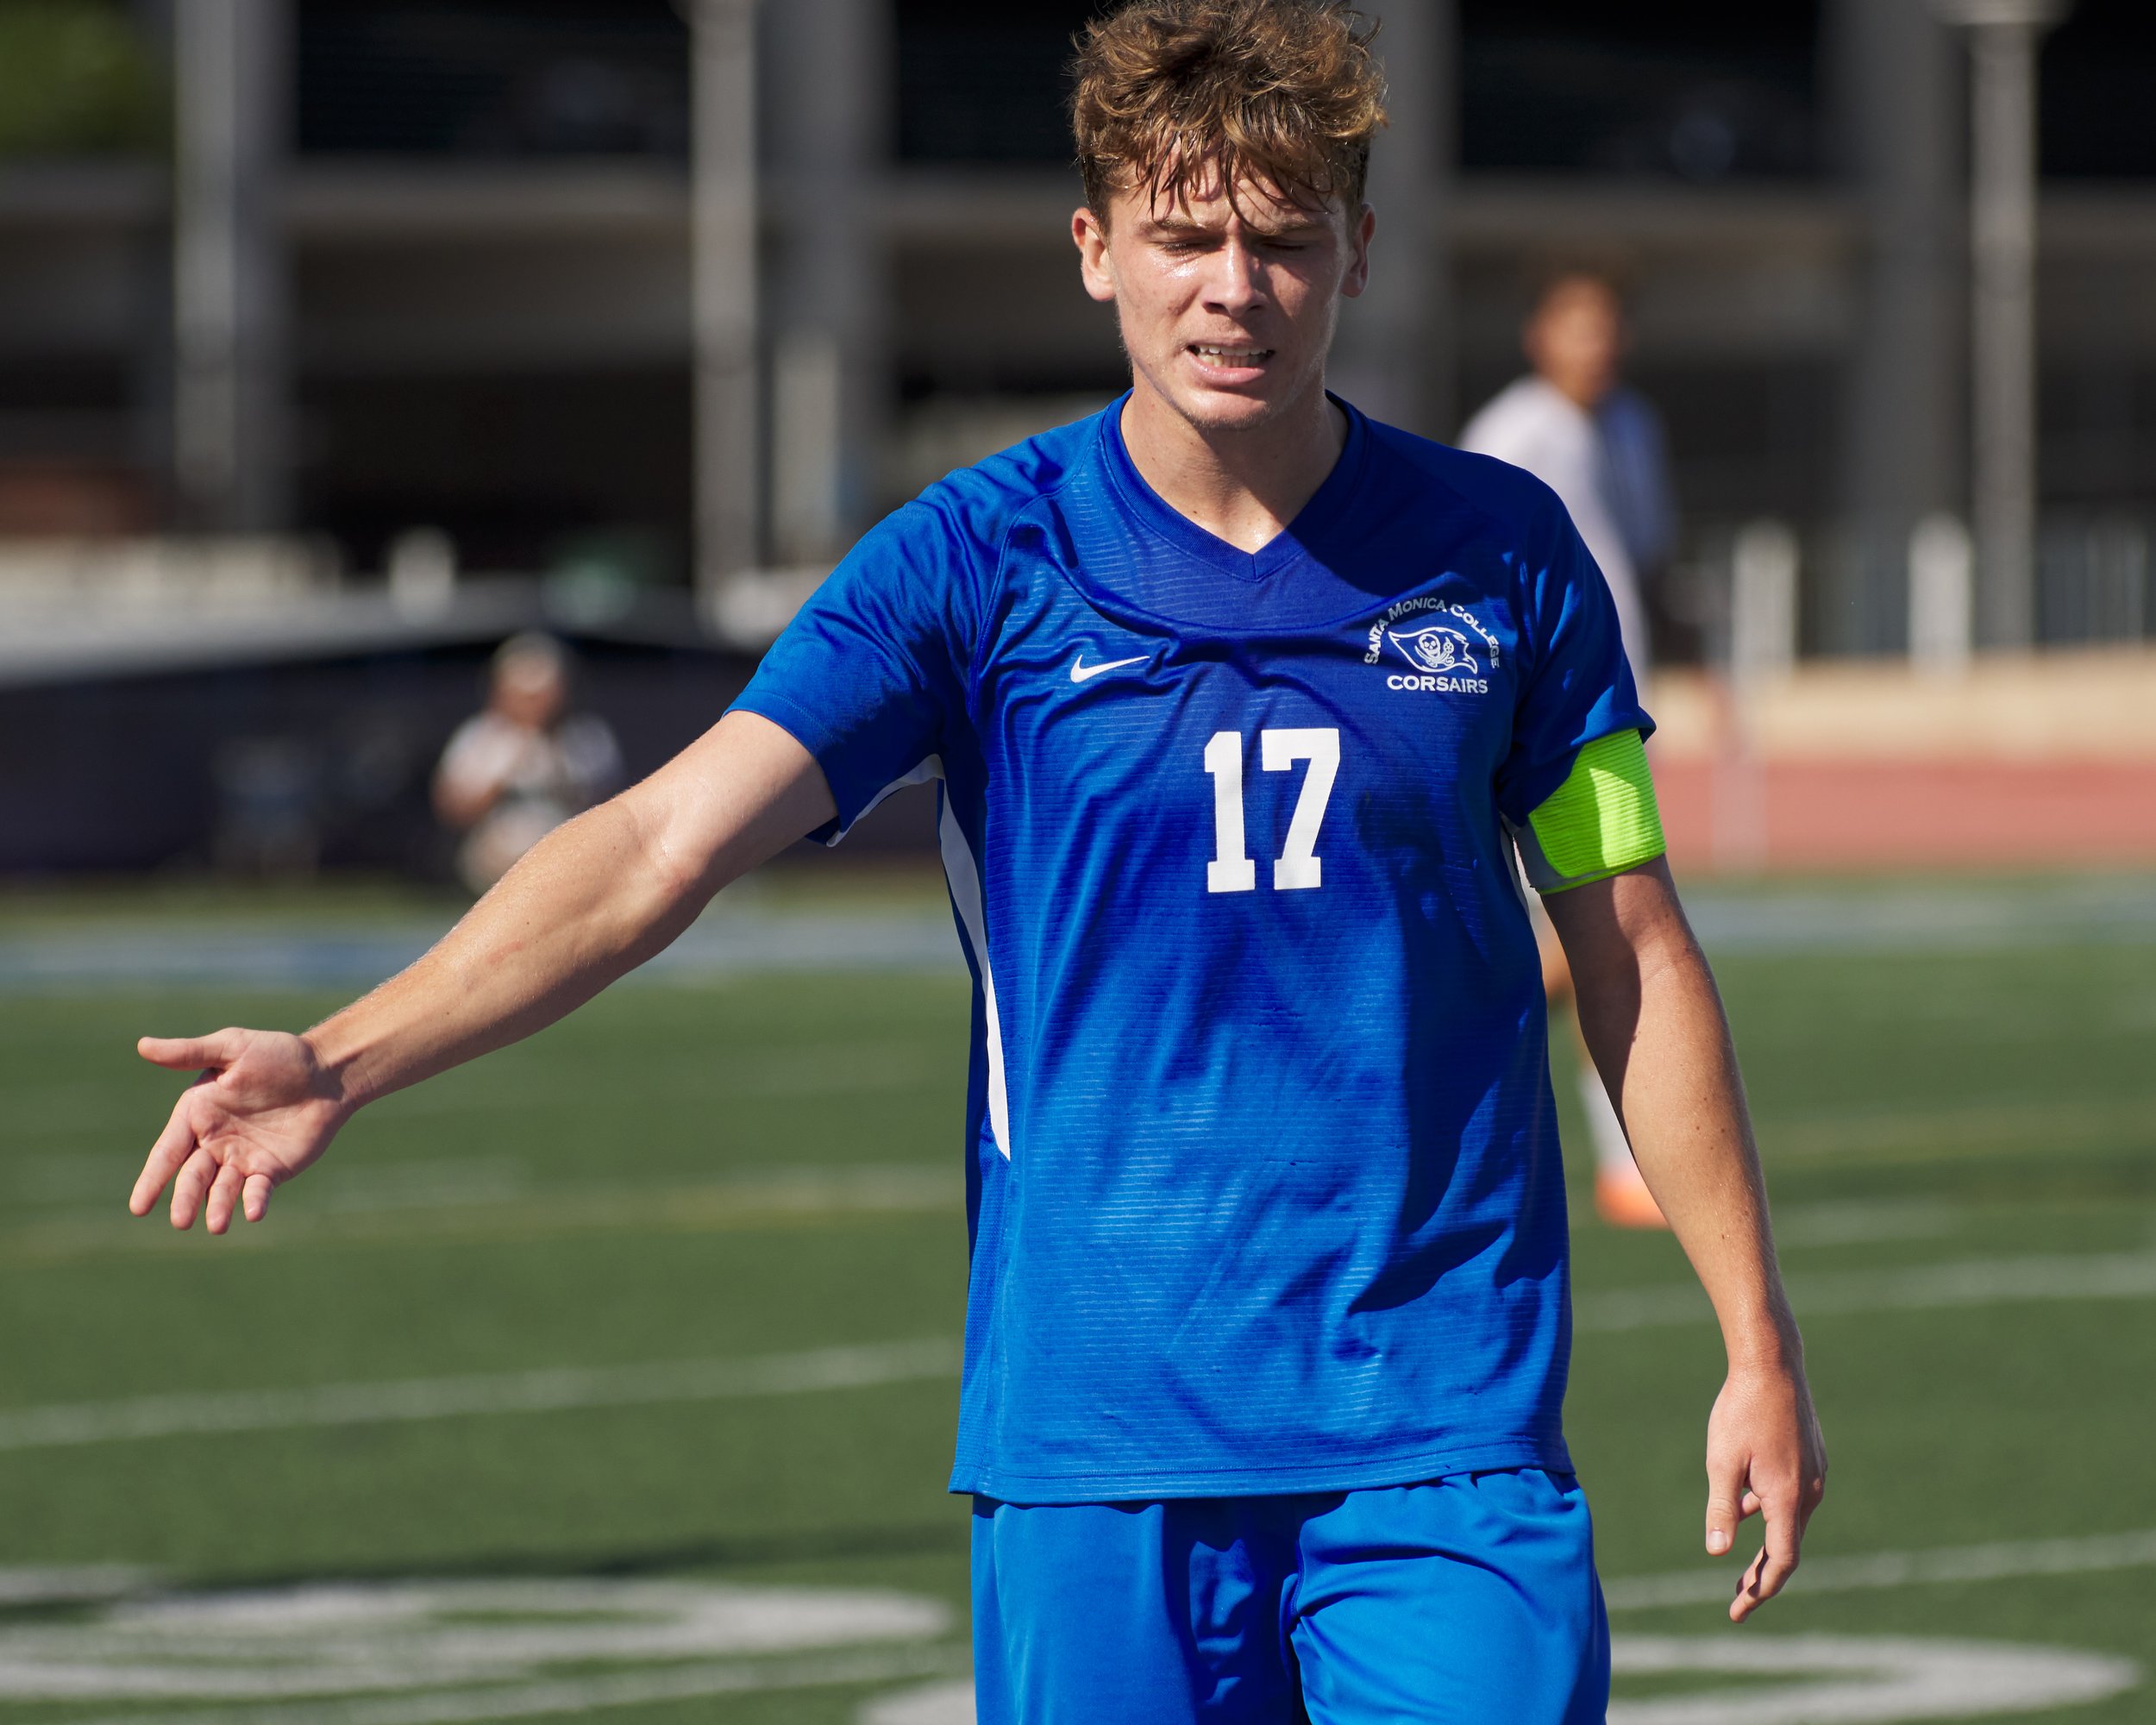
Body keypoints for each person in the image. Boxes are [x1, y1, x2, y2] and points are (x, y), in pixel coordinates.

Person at [128, 4, 1824, 1720]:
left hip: (1439, 1429)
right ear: (1092, 249)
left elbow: (1630, 948)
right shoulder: (970, 561)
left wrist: (1753, 1339)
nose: (1230, 286)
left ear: (1357, 253)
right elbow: (658, 842)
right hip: (1095, 1435)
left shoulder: (1505, 559)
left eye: (1281, 238)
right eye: (1180, 236)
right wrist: (340, 1055)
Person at [1460, 272, 1681, 1230]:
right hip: (1528, 720)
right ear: (1538, 333)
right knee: (1586, 939)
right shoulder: (1514, 431)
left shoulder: (1630, 428)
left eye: (1609, 324)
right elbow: (1455, 559)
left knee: (1620, 922)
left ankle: (1628, 1163)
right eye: (1576, 325)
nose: (1596, 343)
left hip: (1610, 714)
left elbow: (1649, 553)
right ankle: (1456, 1057)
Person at [432, 632, 624, 894]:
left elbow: (609, 809)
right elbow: (453, 808)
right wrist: (502, 779)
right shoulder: (481, 737)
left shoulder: (585, 737)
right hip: (494, 865)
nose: (537, 704)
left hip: (566, 860)